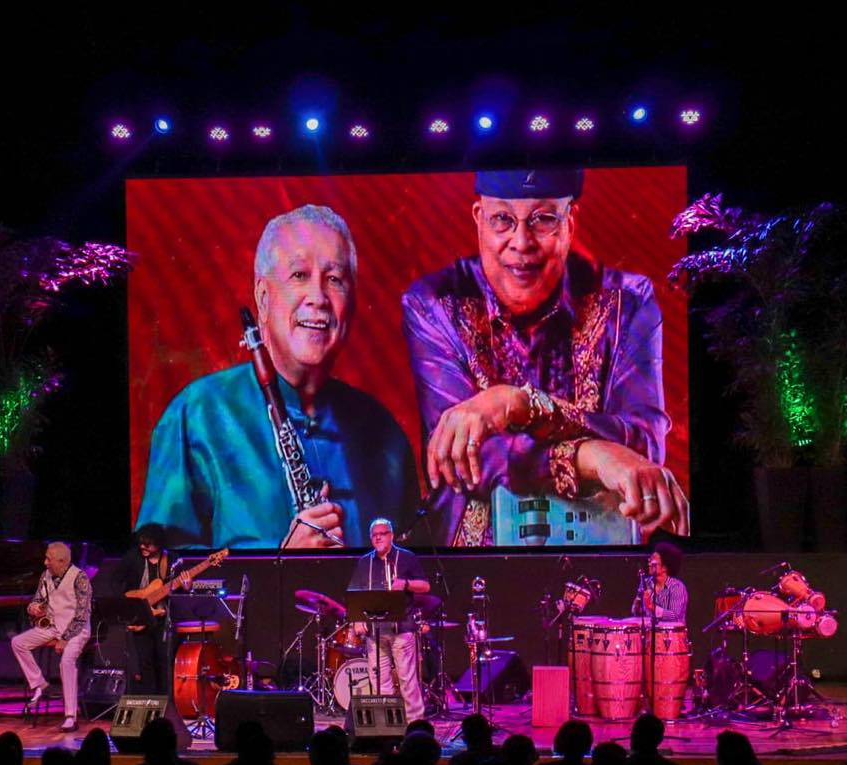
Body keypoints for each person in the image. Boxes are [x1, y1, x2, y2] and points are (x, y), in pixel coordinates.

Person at [402, 168, 688, 545]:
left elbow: (644, 445)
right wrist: (594, 457)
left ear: (570, 221)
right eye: (503, 219)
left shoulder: (627, 300)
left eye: (543, 219)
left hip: (602, 554)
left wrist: (519, 404)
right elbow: (465, 460)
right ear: (479, 220)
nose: (521, 242)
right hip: (468, 568)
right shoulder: (435, 302)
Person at [137, 204, 418, 549]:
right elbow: (162, 580)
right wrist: (281, 568)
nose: (318, 298)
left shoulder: (383, 432)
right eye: (299, 275)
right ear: (263, 298)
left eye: (334, 280)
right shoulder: (195, 416)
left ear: (353, 303)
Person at [346, 517, 429, 722]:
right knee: (379, 679)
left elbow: (425, 586)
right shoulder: (365, 561)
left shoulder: (407, 557)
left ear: (391, 535)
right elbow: (355, 593)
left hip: (402, 628)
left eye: (382, 534)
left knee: (407, 680)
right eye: (374, 535)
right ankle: (390, 722)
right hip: (375, 632)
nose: (378, 538)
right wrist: (357, 620)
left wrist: (406, 583)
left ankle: (415, 723)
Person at [11, 542, 93, 732]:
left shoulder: (80, 579)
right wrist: (34, 608)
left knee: (66, 662)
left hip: (76, 630)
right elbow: (36, 600)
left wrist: (65, 638)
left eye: (49, 559)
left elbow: (82, 615)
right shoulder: (46, 575)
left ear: (62, 561)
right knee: (18, 642)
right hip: (53, 626)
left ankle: (70, 716)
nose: (45, 562)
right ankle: (39, 683)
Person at [109, 523, 171, 693]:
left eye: (148, 544)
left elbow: (180, 587)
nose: (142, 547)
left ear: (158, 544)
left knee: (163, 660)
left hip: (162, 618)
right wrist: (126, 602)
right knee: (145, 661)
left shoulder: (170, 559)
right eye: (141, 543)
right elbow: (115, 580)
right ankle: (151, 703)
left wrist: (186, 584)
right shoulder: (133, 557)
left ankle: (165, 702)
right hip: (140, 617)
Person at [631, 541, 688, 622]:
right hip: (650, 632)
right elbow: (637, 613)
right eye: (649, 560)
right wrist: (637, 605)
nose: (649, 564)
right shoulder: (646, 583)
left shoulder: (676, 587)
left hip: (671, 634)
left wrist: (652, 606)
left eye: (653, 561)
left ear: (664, 567)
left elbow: (675, 616)